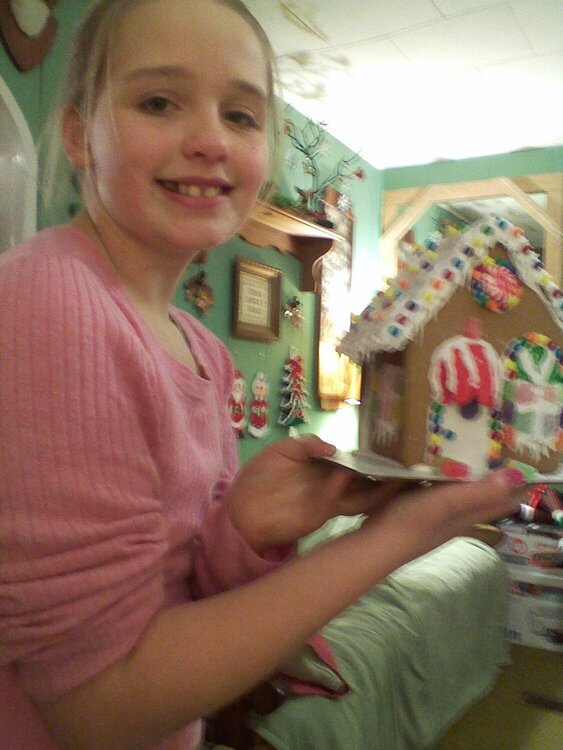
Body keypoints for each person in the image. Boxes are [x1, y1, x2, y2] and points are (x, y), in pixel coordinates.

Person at [0, 1, 526, 749]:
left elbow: (178, 595)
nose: (211, 140)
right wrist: (389, 541)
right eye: (158, 101)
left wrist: (242, 528)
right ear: (81, 135)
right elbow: (96, 706)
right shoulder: (51, 303)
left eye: (242, 116)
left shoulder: (200, 350)